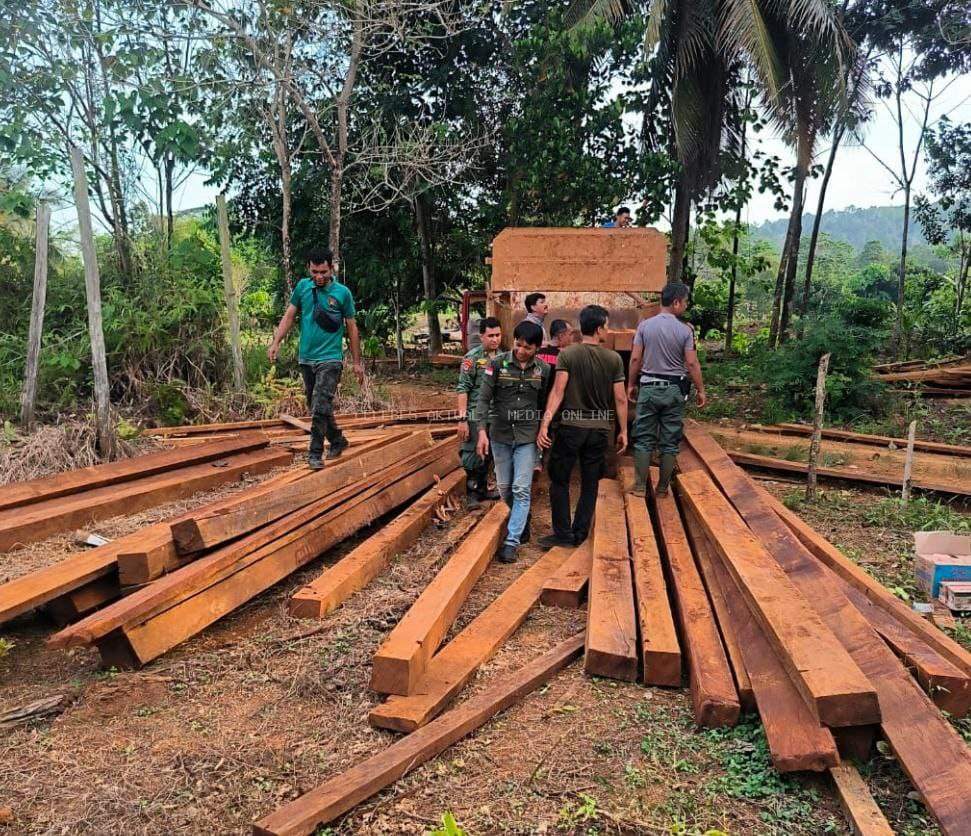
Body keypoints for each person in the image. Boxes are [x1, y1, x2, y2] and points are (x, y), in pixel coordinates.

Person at [537, 305, 627, 547]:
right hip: (599, 431)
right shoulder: (614, 359)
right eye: (606, 326)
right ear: (598, 329)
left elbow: (558, 391)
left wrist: (545, 424)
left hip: (570, 427)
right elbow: (620, 398)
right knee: (590, 482)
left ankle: (563, 534)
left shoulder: (568, 354)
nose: (607, 330)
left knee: (560, 479)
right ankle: (580, 532)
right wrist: (623, 431)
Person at [268, 248, 364, 470]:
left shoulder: (342, 293)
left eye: (323, 271)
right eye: (314, 272)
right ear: (309, 269)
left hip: (330, 358)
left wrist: (357, 362)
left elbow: (352, 327)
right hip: (306, 358)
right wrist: (276, 342)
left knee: (321, 404)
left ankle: (314, 453)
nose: (319, 276)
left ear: (331, 268)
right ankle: (338, 440)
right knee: (316, 405)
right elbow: (290, 315)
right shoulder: (303, 287)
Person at [476, 320, 551, 563]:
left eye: (527, 348)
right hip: (500, 435)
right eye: (518, 345)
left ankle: (511, 541)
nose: (521, 351)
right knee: (505, 489)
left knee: (521, 489)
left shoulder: (543, 370)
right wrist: (481, 431)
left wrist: (543, 429)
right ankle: (523, 516)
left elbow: (545, 404)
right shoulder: (496, 365)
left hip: (527, 437)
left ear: (537, 347)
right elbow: (483, 400)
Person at [627, 281, 707, 497]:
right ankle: (662, 489)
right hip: (674, 390)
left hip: (649, 387)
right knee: (670, 442)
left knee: (644, 439)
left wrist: (631, 384)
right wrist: (700, 389)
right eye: (685, 302)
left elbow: (635, 358)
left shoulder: (644, 326)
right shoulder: (685, 330)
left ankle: (640, 487)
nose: (686, 306)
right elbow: (691, 363)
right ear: (676, 302)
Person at [456, 316, 503, 509]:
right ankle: (472, 492)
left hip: (496, 415)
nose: (495, 339)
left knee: (489, 453)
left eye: (498, 335)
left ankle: (483, 488)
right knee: (472, 453)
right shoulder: (472, 358)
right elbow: (462, 389)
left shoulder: (504, 358)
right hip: (476, 414)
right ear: (481, 336)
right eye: (490, 335)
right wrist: (462, 419)